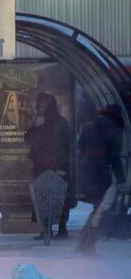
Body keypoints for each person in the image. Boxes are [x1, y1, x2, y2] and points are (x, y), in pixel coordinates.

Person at [77, 104, 125, 254]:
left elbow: (80, 145)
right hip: (100, 171)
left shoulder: (89, 124)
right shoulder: (114, 128)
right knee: (100, 209)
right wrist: (121, 179)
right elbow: (115, 157)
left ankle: (84, 242)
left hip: (85, 169)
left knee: (97, 207)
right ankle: (87, 245)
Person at [24, 92, 72, 239]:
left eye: (45, 105)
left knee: (60, 197)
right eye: (40, 105)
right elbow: (27, 139)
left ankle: (62, 229)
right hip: (41, 164)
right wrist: (35, 127)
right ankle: (46, 229)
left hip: (57, 164)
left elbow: (65, 145)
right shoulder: (40, 121)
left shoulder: (60, 123)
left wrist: (62, 165)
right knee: (41, 197)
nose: (42, 107)